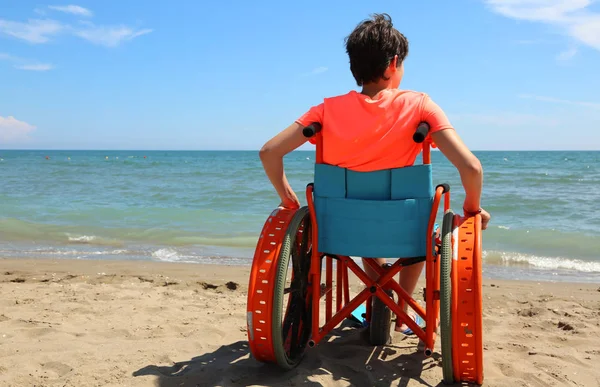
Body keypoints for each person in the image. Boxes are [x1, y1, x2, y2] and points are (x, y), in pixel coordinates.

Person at [259, 13, 491, 335]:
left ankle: (382, 296)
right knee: (421, 227)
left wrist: (287, 196)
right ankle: (403, 310)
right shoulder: (420, 105)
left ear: (355, 67)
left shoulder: (325, 111)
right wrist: (473, 209)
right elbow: (471, 168)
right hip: (406, 232)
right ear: (394, 63)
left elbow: (269, 152)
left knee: (367, 217)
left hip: (337, 233)